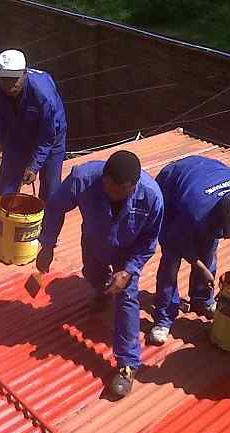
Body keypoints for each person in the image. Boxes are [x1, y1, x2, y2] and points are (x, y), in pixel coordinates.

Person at [36, 151, 163, 397]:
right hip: (94, 241)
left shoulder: (152, 196)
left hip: (128, 251)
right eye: (111, 189)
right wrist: (48, 244)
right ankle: (104, 291)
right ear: (103, 177)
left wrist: (129, 270)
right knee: (92, 275)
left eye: (122, 191)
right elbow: (55, 206)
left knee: (127, 298)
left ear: (134, 186)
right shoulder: (82, 178)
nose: (115, 194)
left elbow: (149, 241)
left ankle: (127, 365)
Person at [147, 156, 230, 345]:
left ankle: (202, 300)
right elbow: (178, 241)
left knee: (209, 247)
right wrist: (201, 268)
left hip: (204, 175)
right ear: (220, 213)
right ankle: (164, 317)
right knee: (171, 261)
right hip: (172, 186)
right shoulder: (195, 208)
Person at [0, 49, 67, 240]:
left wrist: (34, 165)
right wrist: (0, 142)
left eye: (14, 79)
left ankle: (47, 231)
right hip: (19, 133)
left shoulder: (43, 96)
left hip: (51, 136)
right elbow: (1, 116)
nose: (9, 85)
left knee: (50, 185)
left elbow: (47, 136)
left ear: (25, 73)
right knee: (8, 178)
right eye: (4, 79)